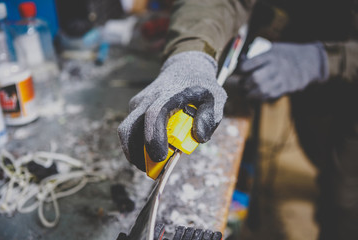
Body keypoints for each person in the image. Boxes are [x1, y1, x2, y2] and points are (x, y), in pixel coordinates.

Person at [118, 0, 358, 239]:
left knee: (345, 200)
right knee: (326, 169)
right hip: (313, 78)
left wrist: (330, 59)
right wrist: (190, 57)